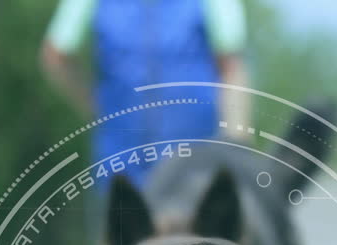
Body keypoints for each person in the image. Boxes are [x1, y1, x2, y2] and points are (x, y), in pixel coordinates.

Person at [40, 0, 251, 186]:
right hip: (121, 159)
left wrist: (237, 143)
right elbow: (56, 55)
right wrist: (97, 107)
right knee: (125, 227)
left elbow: (231, 66)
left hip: (195, 155)